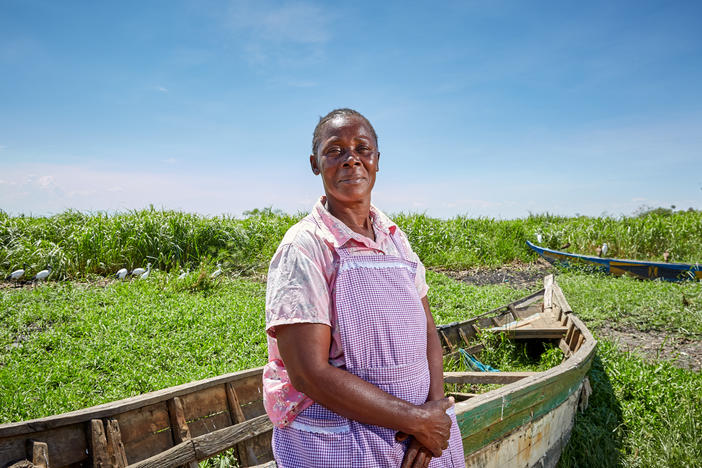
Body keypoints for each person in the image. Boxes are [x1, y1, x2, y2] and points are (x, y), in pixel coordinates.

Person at [263, 108, 465, 468]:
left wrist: (434, 413)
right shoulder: (306, 246)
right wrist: (413, 420)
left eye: (362, 149)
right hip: (341, 444)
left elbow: (428, 330)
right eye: (335, 150)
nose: (350, 160)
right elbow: (308, 373)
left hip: (422, 440)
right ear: (315, 163)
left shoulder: (394, 238)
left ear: (376, 160)